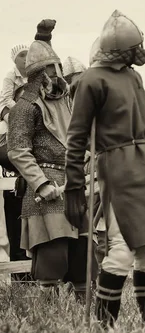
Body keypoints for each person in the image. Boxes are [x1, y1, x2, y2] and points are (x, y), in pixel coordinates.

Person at [65, 10, 145, 328]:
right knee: (122, 251)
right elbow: (76, 137)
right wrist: (74, 184)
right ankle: (104, 323)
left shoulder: (134, 77)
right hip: (118, 168)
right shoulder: (91, 80)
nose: (137, 54)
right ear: (121, 49)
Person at [7, 19, 96, 300]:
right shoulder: (25, 106)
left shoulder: (66, 102)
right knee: (53, 254)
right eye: (49, 69)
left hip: (72, 183)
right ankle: (48, 308)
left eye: (56, 68)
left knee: (83, 253)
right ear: (37, 73)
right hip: (46, 188)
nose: (55, 74)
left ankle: (87, 306)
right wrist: (42, 184)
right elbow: (18, 149)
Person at [0, 43, 31, 282]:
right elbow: (5, 100)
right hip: (12, 112)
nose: (25, 59)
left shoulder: (35, 75)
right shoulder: (11, 76)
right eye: (21, 55)